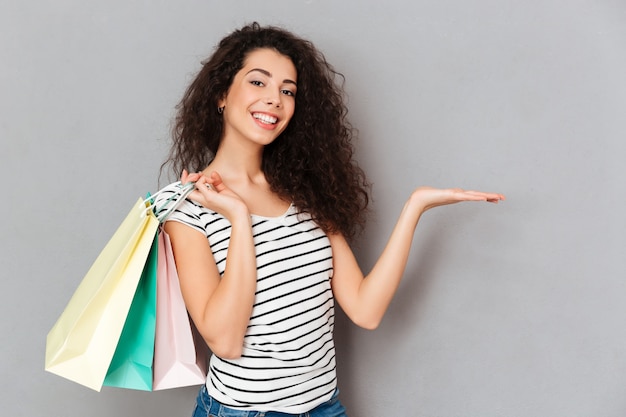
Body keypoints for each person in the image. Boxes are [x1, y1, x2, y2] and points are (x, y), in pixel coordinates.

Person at [158, 22, 504, 417]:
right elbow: (225, 340)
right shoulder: (190, 207)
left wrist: (415, 207)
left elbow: (365, 309)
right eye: (258, 83)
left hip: (324, 407)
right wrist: (239, 219)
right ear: (222, 93)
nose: (274, 99)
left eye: (288, 91)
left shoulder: (304, 195)